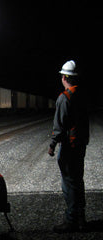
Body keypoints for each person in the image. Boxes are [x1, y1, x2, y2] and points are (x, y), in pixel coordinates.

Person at [48, 60, 89, 233]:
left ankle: (71, 221)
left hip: (69, 147)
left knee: (69, 184)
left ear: (65, 77)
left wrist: (52, 145)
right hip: (80, 145)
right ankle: (81, 219)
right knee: (78, 182)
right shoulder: (82, 96)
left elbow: (59, 126)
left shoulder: (64, 98)